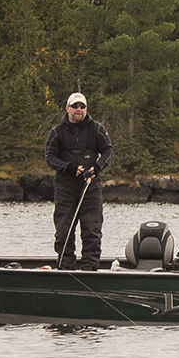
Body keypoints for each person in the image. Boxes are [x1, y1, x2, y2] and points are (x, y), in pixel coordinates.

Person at [45, 91, 110, 266]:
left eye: (82, 106)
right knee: (63, 230)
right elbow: (50, 157)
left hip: (90, 187)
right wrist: (69, 167)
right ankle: (65, 266)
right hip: (65, 187)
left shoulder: (97, 129)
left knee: (92, 230)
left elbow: (108, 151)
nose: (78, 109)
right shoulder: (56, 132)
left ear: (86, 108)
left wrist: (96, 167)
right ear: (67, 108)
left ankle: (90, 267)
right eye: (75, 106)